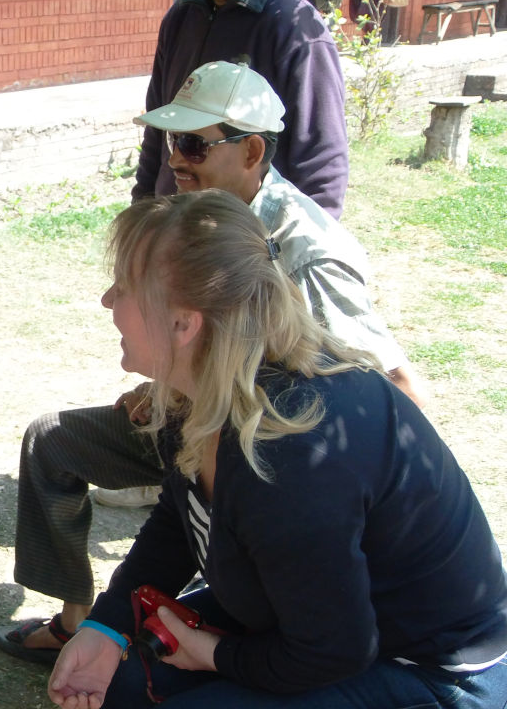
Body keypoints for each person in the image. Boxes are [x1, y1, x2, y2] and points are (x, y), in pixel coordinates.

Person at [0, 60, 424, 665]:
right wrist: (169, 387)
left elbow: (390, 387)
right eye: (172, 140)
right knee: (53, 442)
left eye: (195, 143)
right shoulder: (195, 219)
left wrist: (335, 505)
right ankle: (80, 619)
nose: (176, 160)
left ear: (252, 151)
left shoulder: (307, 248)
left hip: (267, 445)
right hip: (199, 419)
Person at [48, 189, 507, 708]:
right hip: (304, 623)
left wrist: (214, 655)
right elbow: (182, 519)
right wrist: (108, 626)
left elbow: (336, 650)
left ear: (183, 323)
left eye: (125, 287)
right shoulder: (200, 391)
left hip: (428, 668)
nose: (108, 300)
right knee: (119, 685)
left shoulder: (288, 456)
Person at [132, 0, 350, 220]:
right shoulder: (181, 18)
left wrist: (294, 249)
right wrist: (142, 213)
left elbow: (322, 163)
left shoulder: (295, 31)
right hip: (175, 225)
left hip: (245, 240)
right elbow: (158, 132)